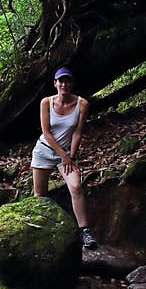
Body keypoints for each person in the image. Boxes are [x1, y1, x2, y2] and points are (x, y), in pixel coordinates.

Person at [30, 67, 98, 249]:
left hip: (67, 154)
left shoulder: (82, 104)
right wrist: (65, 156)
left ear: (72, 84)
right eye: (60, 81)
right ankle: (40, 232)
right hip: (44, 150)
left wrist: (71, 156)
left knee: (76, 186)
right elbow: (47, 132)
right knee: (40, 195)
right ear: (55, 83)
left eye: (67, 81)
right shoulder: (46, 102)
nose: (64, 84)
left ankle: (85, 231)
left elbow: (77, 132)